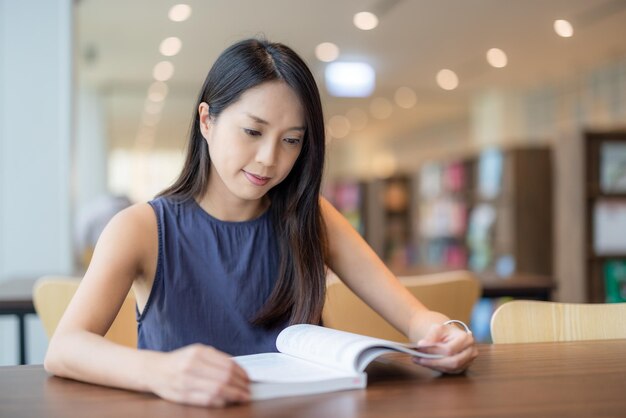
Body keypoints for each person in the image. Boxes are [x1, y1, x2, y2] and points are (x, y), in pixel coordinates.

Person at [44, 38, 477, 407]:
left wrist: (446, 334)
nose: (270, 159)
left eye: (291, 141)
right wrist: (161, 371)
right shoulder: (140, 229)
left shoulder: (311, 218)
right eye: (253, 132)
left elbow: (419, 320)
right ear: (206, 120)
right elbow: (64, 349)